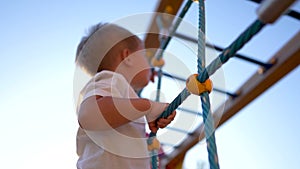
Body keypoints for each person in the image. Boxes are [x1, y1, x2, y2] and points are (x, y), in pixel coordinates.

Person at [74, 22, 176, 169]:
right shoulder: (110, 79)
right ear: (127, 57)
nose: (148, 63)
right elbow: (88, 114)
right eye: (144, 56)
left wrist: (146, 76)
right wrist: (148, 106)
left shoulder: (119, 91)